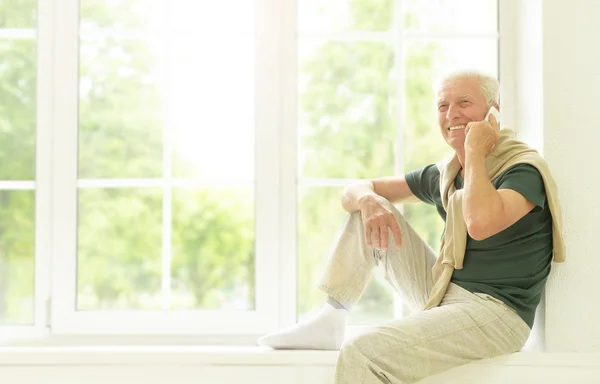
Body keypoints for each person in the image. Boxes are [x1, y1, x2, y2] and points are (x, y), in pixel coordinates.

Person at [258, 69, 566, 383]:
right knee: (369, 208)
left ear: (492, 112)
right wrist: (368, 199)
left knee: (361, 354)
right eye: (443, 106)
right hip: (447, 289)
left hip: (497, 315)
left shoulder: (522, 170)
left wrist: (474, 149)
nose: (451, 114)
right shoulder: (447, 172)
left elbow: (480, 222)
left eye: (464, 103)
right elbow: (353, 190)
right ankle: (332, 316)